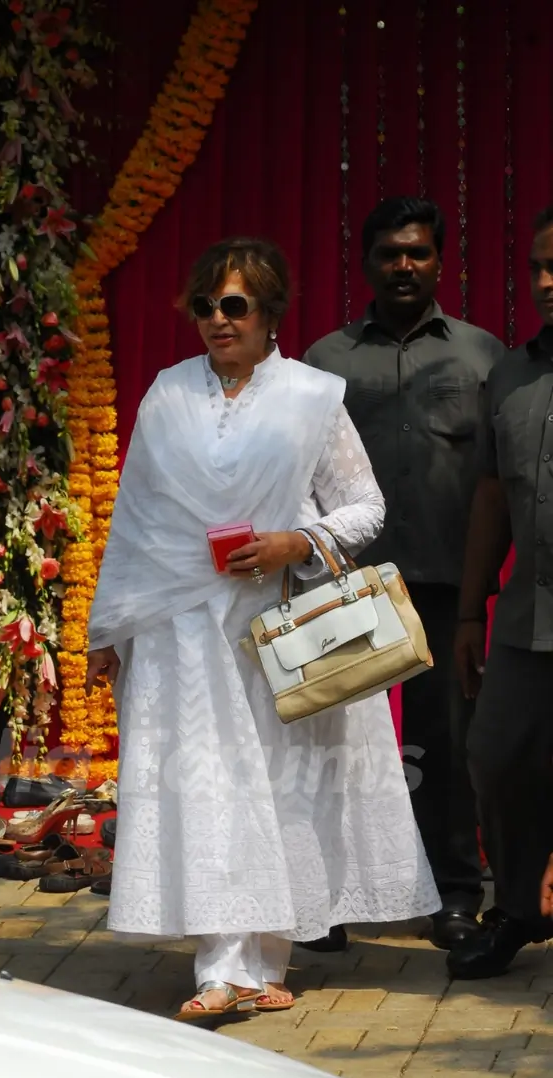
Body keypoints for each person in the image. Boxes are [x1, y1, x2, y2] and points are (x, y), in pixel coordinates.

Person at [85, 237, 439, 1021]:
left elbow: (366, 507)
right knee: (207, 788)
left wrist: (297, 543)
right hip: (180, 629)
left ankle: (262, 962)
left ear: (270, 312)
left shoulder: (311, 396)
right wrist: (107, 629)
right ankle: (220, 965)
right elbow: (134, 519)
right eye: (205, 305)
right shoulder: (167, 394)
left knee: (279, 791)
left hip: (279, 625)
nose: (218, 319)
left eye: (235, 304)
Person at [303, 197, 505, 953]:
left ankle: (453, 894)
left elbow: (500, 477)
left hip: (446, 584)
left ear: (440, 261)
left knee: (445, 744)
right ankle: (325, 902)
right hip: (343, 584)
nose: (404, 265)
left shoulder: (481, 356)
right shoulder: (324, 361)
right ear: (366, 262)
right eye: (390, 253)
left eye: (418, 252)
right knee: (334, 746)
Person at [448, 207, 553, 979]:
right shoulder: (511, 375)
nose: (546, 281)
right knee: (495, 755)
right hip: (526, 616)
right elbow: (491, 495)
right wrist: (468, 609)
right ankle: (518, 908)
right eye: (538, 267)